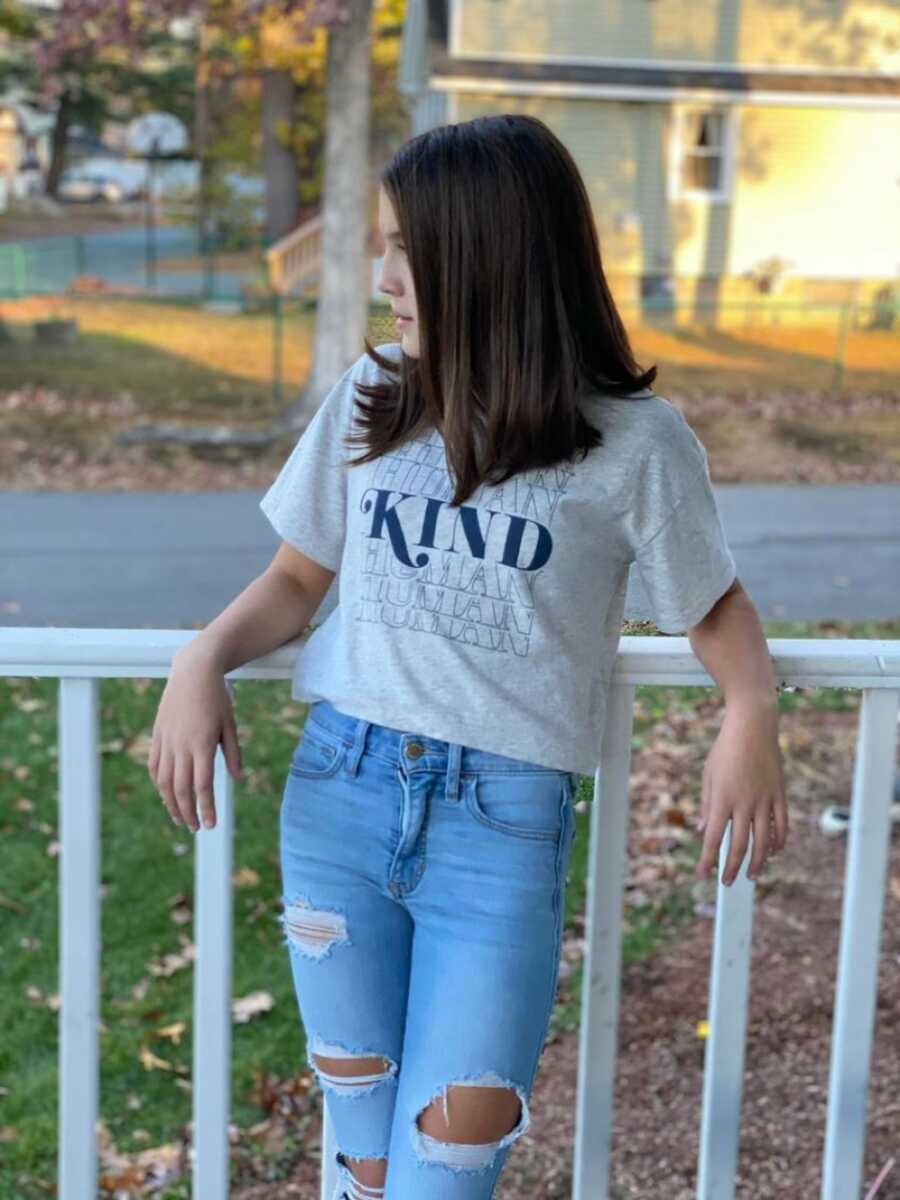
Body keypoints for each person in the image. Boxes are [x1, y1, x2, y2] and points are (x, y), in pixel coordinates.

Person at [148, 114, 789, 1200]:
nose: (384, 271)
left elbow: (712, 603)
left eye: (409, 246)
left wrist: (752, 716)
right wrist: (199, 659)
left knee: (445, 1171)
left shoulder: (635, 443)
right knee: (362, 1157)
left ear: (489, 255)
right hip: (339, 797)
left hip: (500, 827)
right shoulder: (375, 398)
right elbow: (299, 581)